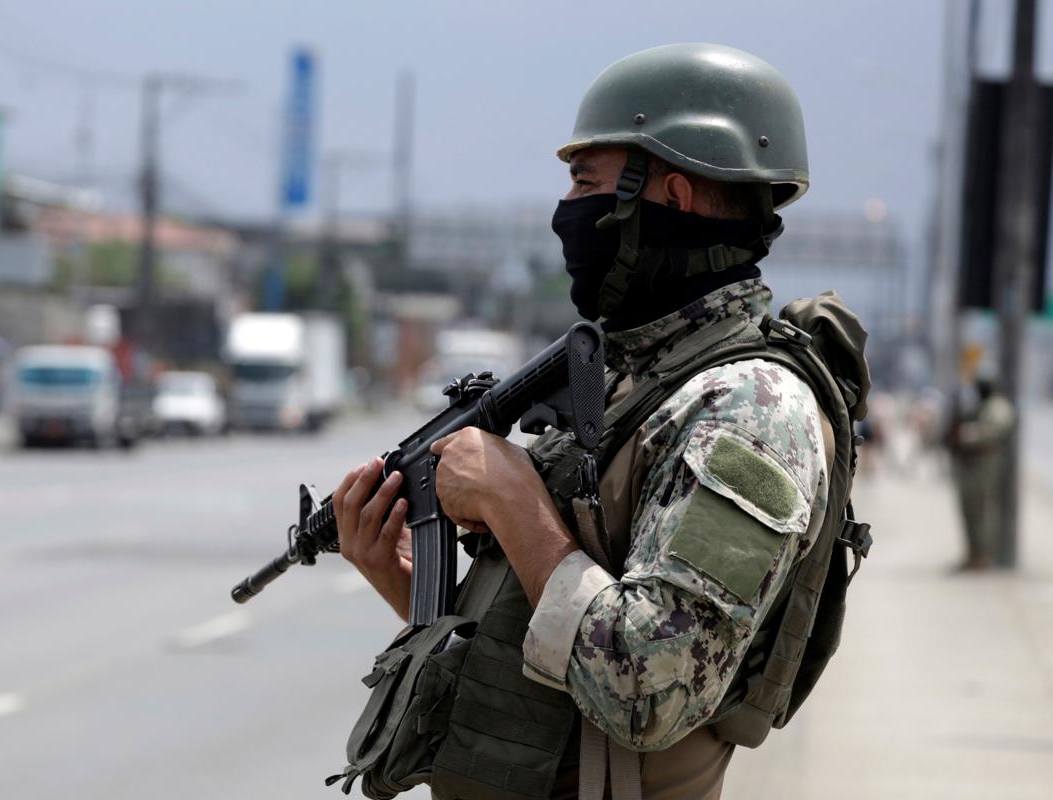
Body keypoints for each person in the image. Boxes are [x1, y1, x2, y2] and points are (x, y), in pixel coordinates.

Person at [334, 44, 858, 800]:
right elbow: (553, 679)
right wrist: (409, 588)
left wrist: (512, 500)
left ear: (671, 195)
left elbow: (649, 689)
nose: (567, 213)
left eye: (586, 181)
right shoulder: (635, 380)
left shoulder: (749, 409)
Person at [949, 377, 1015, 570]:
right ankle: (974, 555)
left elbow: (991, 432)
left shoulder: (998, 406)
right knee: (972, 511)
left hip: (986, 466)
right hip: (974, 466)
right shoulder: (985, 405)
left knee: (983, 512)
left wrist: (968, 435)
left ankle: (983, 557)